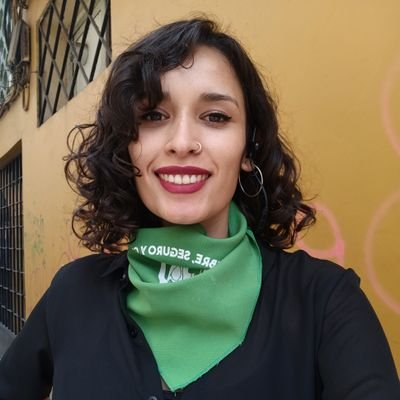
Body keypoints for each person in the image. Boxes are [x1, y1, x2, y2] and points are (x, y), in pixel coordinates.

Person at [0, 18, 399, 400]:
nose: (182, 142)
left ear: (248, 148)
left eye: (215, 117)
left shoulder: (325, 302)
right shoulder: (73, 293)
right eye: (153, 115)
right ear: (126, 145)